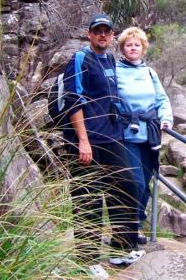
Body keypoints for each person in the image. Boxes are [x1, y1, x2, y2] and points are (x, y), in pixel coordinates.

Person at [61, 14, 145, 269]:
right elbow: (73, 100)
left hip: (111, 137)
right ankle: (86, 262)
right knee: (89, 200)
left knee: (127, 188)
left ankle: (121, 249)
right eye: (97, 31)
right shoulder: (80, 59)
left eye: (106, 32)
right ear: (89, 34)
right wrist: (83, 142)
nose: (102, 35)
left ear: (111, 35)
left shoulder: (109, 58)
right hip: (87, 141)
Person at [116, 27, 173, 243]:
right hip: (126, 134)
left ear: (143, 48)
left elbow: (161, 99)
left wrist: (166, 118)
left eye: (136, 45)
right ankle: (126, 229)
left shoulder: (150, 73)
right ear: (123, 48)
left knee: (146, 183)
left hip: (149, 135)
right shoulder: (115, 70)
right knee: (135, 183)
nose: (133, 48)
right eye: (129, 45)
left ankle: (136, 226)